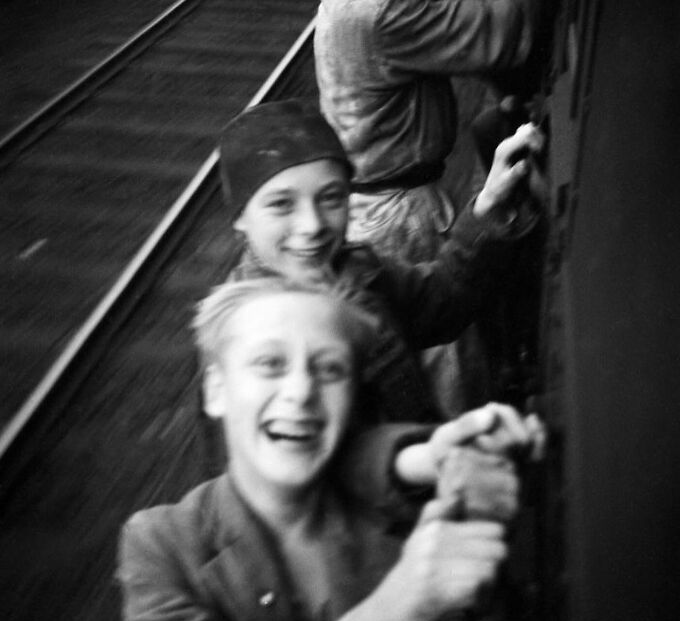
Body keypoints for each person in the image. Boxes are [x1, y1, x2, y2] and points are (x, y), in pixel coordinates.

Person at [117, 278, 541, 621]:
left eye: (330, 368)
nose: (300, 391)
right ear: (216, 389)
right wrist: (386, 616)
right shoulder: (162, 543)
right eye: (270, 364)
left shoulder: (400, 519)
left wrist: (484, 574)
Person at [220, 98, 545, 422]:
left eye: (331, 198)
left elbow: (442, 299)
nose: (313, 225)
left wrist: (487, 206)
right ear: (240, 218)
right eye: (281, 204)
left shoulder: (357, 270)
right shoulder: (241, 344)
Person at [305, 0, 562, 261]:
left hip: (373, 206)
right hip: (401, 221)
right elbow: (500, 25)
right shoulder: (378, 16)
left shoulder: (338, 3)